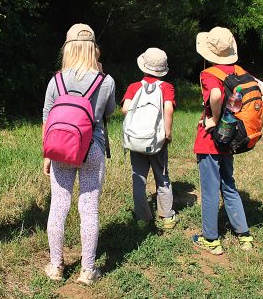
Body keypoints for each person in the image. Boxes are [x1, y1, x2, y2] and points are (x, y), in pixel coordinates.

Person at [42, 23, 116, 285]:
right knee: (89, 208)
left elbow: (47, 116)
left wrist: (46, 154)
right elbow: (108, 113)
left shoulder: (57, 79)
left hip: (60, 148)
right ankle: (87, 270)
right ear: (93, 49)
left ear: (68, 48)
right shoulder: (105, 81)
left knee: (58, 207)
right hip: (92, 148)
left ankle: (55, 266)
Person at [192, 27, 263, 255]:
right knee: (228, 184)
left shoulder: (209, 74)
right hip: (230, 138)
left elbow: (216, 96)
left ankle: (211, 239)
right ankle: (244, 235)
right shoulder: (240, 71)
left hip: (211, 140)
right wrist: (238, 119)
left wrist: (214, 119)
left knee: (210, 190)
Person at [121, 48, 177, 230]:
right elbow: (168, 109)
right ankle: (167, 216)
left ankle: (142, 218)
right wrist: (167, 133)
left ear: (143, 67)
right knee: (162, 176)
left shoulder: (134, 87)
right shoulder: (166, 87)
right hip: (157, 141)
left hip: (136, 141)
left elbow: (124, 109)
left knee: (139, 178)